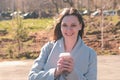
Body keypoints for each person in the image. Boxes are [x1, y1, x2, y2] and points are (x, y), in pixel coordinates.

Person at [28, 7, 97, 80]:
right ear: (60, 26)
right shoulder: (48, 48)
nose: (68, 30)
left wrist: (72, 73)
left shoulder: (90, 54)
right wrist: (55, 72)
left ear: (80, 26)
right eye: (64, 25)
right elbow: (32, 77)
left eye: (73, 25)